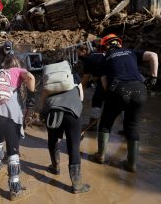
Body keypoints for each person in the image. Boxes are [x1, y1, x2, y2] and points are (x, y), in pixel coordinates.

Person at [94, 34, 158, 172]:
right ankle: (131, 164)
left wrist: (111, 99)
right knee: (132, 126)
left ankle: (100, 156)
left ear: (105, 47)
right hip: (139, 89)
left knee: (106, 123)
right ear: (119, 44)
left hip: (118, 88)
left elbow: (105, 86)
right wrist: (153, 77)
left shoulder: (105, 59)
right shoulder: (131, 52)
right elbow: (153, 55)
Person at [0, 55, 35, 201]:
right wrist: (32, 94)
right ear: (17, 64)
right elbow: (30, 77)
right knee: (13, 152)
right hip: (9, 116)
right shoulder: (17, 71)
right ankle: (15, 190)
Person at [40, 58, 90, 194]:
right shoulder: (72, 73)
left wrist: (43, 111)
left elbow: (44, 94)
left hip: (52, 109)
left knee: (52, 139)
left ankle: (55, 168)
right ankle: (77, 185)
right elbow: (81, 93)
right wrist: (76, 107)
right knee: (73, 146)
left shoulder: (48, 76)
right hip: (72, 110)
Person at [77, 40, 105, 132]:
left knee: (97, 100)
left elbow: (85, 79)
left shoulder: (88, 60)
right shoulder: (97, 53)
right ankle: (127, 129)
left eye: (78, 53)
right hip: (113, 76)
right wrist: (92, 82)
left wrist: (78, 88)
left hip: (107, 78)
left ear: (84, 51)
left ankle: (93, 125)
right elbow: (98, 73)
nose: (78, 56)